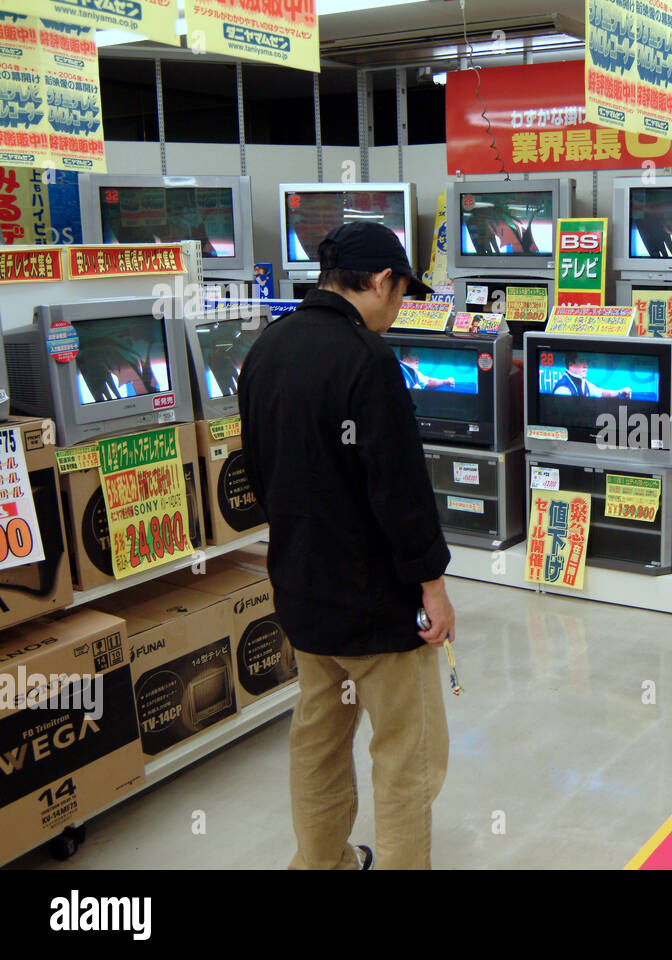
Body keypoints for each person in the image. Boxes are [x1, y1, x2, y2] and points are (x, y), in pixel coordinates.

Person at [238, 221, 455, 871]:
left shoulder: (267, 348)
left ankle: (321, 863)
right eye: (402, 293)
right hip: (379, 609)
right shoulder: (367, 360)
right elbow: (400, 491)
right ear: (383, 281)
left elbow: (254, 469)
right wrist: (433, 585)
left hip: (303, 595)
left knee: (319, 741)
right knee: (406, 755)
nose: (399, 307)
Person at [552, 354, 631, 398]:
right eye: (582, 361)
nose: (586, 366)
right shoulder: (563, 390)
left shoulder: (583, 383)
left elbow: (601, 393)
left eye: (586, 362)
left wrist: (619, 392)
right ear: (571, 365)